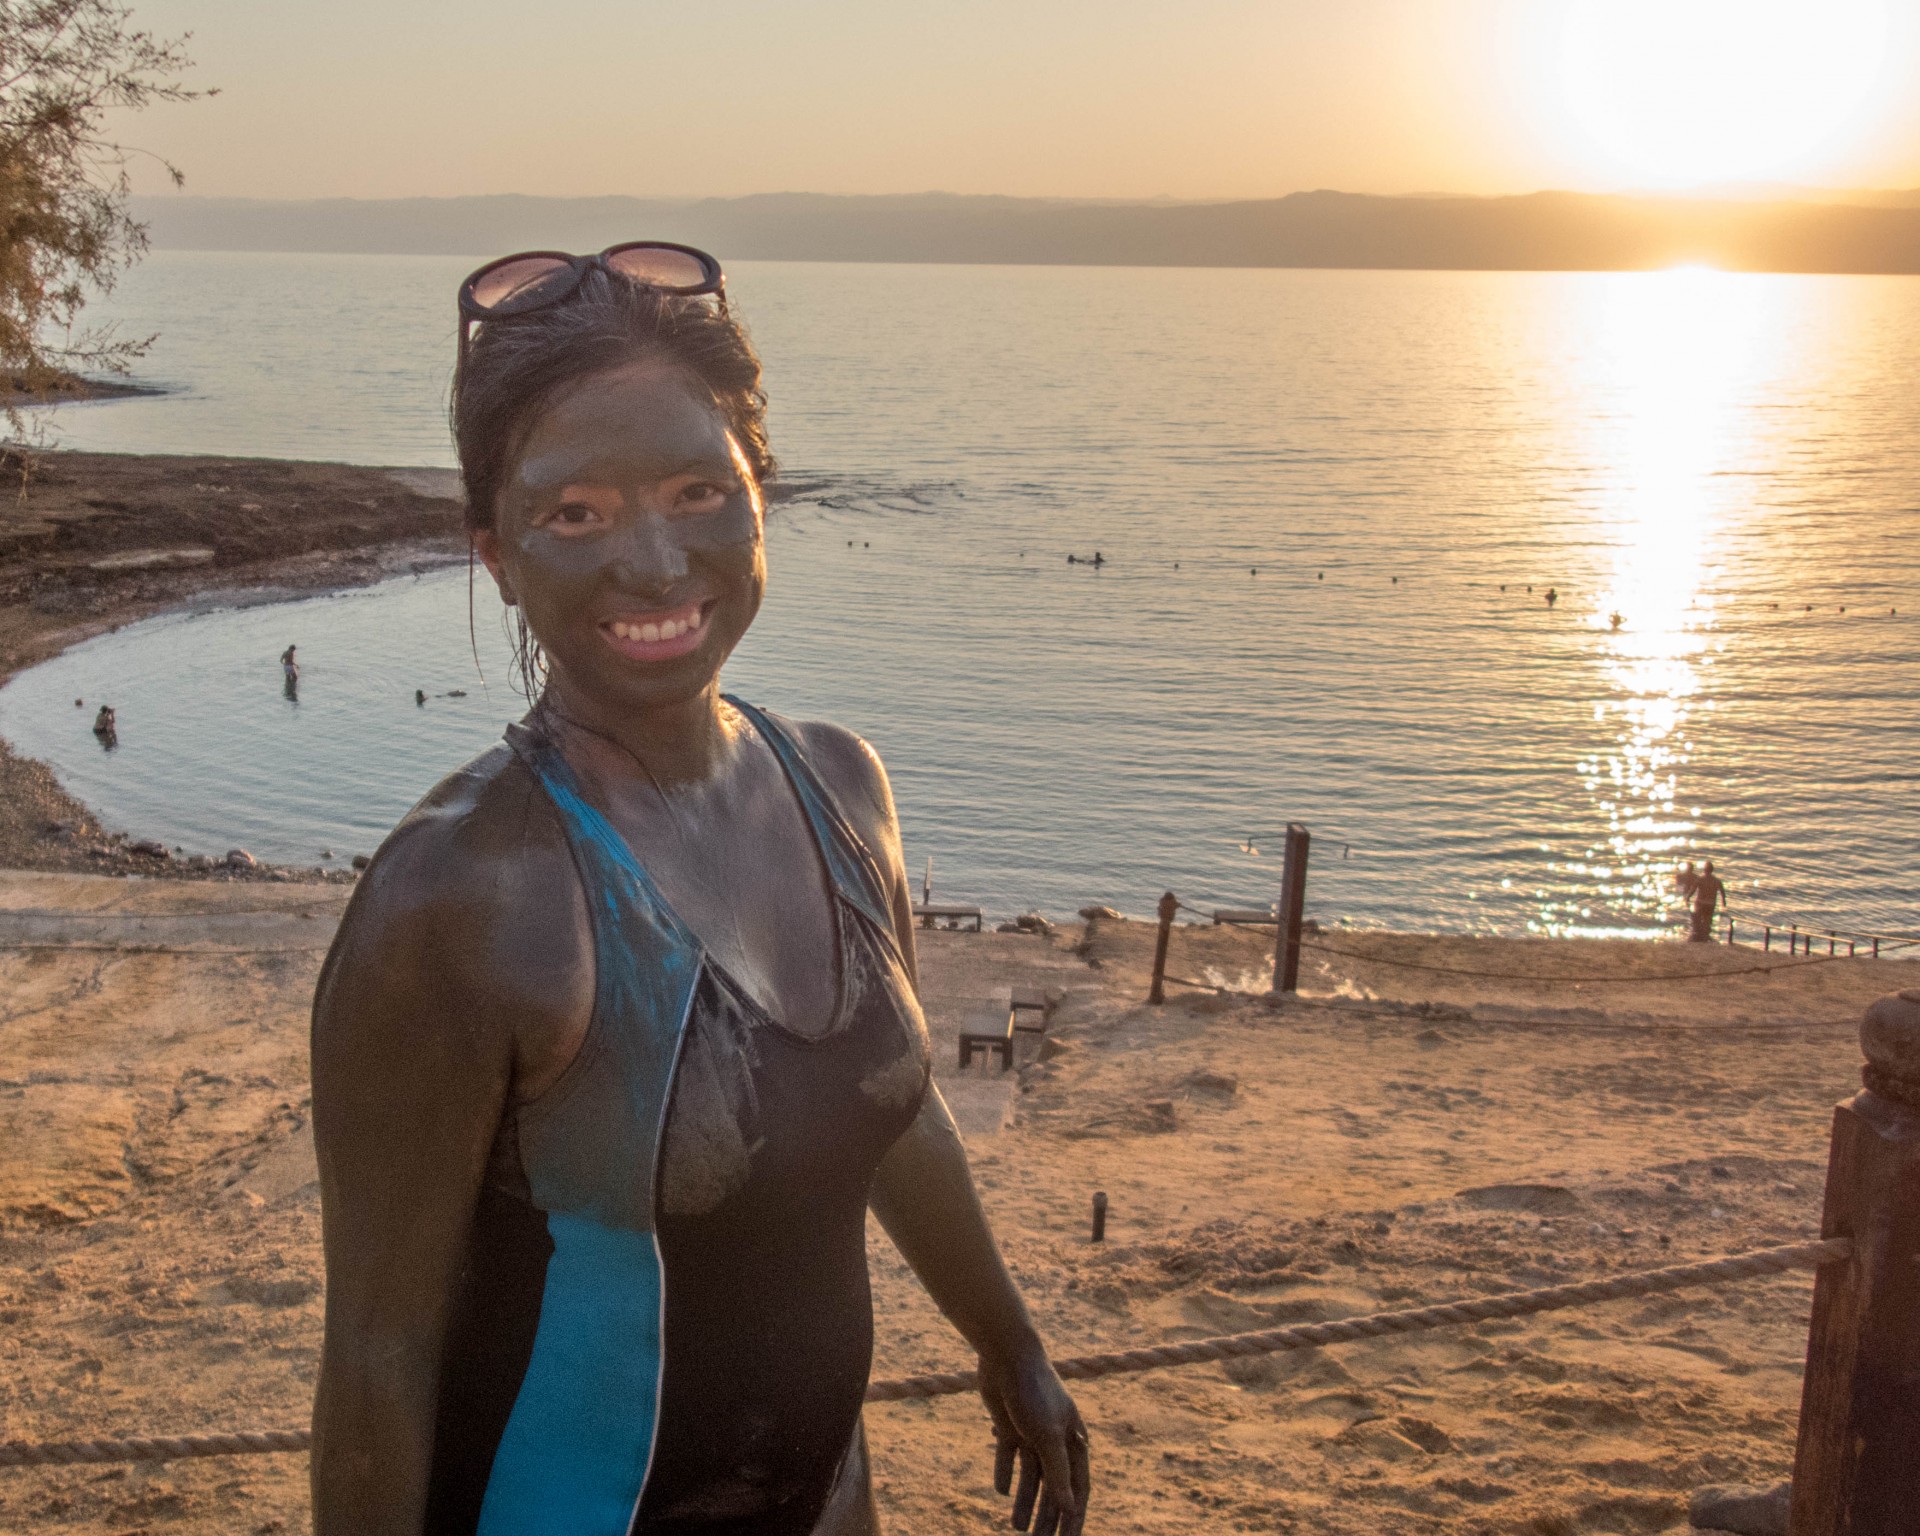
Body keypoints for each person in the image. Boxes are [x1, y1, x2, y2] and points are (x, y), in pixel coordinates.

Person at [309, 243, 1088, 1536]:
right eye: (577, 514)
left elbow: (892, 1108)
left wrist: (1008, 1342)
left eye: (697, 490)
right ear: (493, 550)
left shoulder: (839, 788)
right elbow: (378, 1360)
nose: (660, 565)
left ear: (758, 494)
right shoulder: (463, 899)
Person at [1690, 859, 1726, 942]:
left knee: (1697, 919)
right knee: (1708, 920)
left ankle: (1698, 935)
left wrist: (1687, 897)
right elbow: (1722, 892)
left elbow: (1693, 890)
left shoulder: (1700, 879)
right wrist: (1723, 901)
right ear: (1712, 870)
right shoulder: (1717, 881)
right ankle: (1705, 936)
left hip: (1700, 903)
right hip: (1710, 904)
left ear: (1704, 870)